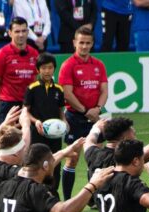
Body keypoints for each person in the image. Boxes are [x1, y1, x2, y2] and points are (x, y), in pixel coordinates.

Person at [58, 27, 107, 200]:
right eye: (81, 43)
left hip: (94, 118)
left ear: (92, 44)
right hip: (75, 118)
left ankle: (93, 198)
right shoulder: (68, 65)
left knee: (97, 159)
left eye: (88, 43)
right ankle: (67, 198)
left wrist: (98, 109)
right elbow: (67, 94)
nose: (84, 46)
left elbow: (104, 90)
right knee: (72, 158)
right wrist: (86, 111)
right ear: (74, 43)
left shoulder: (98, 65)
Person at [25, 52, 65, 190]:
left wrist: (65, 123)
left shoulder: (59, 89)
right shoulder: (32, 88)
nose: (47, 71)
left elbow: (61, 111)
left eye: (50, 67)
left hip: (54, 135)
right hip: (37, 133)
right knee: (36, 163)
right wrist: (35, 121)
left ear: (54, 68)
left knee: (55, 162)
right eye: (43, 68)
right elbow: (26, 111)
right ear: (38, 69)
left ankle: (52, 192)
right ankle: (34, 190)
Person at [0, 17, 39, 127]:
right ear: (10, 33)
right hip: (8, 105)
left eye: (23, 31)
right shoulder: (1, 55)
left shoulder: (34, 54)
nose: (21, 35)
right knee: (6, 142)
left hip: (29, 105)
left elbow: (35, 81)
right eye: (17, 31)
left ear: (27, 32)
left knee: (28, 141)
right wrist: (1, 106)